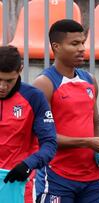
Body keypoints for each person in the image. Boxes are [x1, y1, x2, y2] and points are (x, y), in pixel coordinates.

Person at [33, 19, 99, 203]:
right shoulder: (44, 84)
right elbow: (43, 137)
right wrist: (88, 143)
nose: (81, 48)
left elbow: (95, 125)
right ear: (56, 47)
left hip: (91, 179)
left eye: (82, 42)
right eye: (74, 44)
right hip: (56, 177)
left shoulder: (89, 80)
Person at [0, 45, 57, 201]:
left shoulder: (34, 98)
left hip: (17, 185)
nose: (2, 87)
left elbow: (50, 144)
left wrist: (28, 164)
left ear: (20, 69)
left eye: (9, 81)